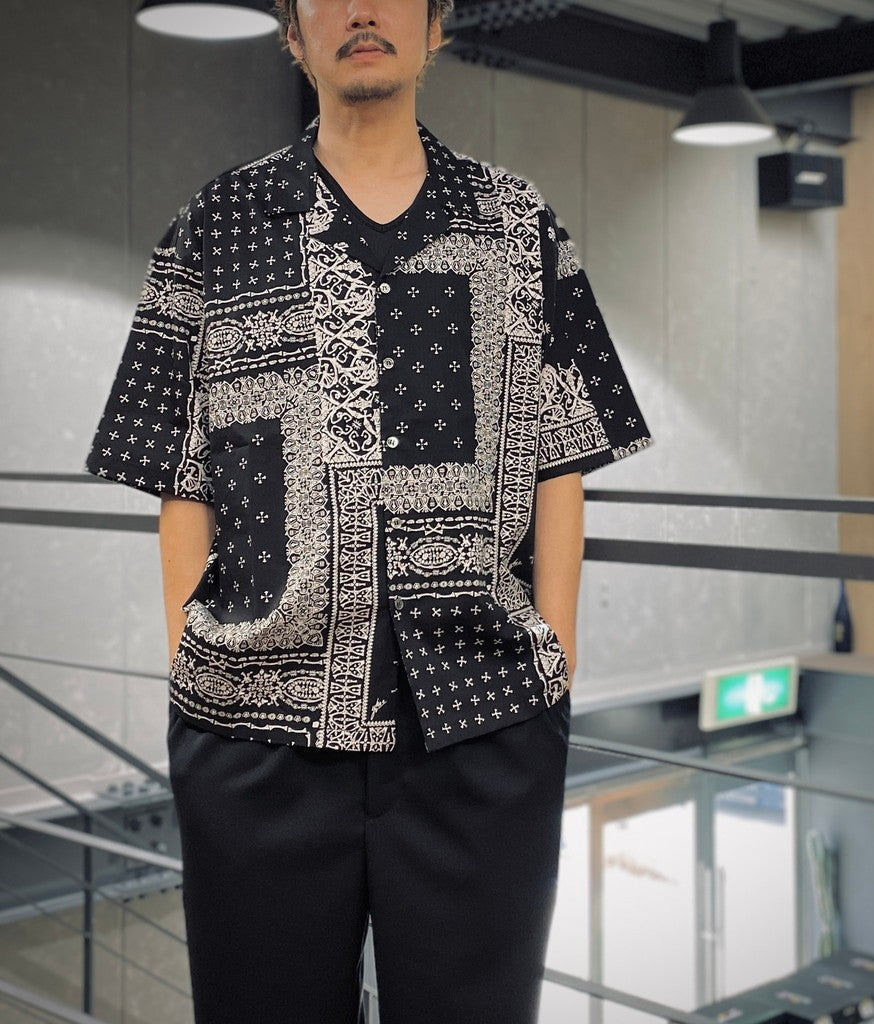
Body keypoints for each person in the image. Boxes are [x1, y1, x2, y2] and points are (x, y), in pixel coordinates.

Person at [84, 1, 654, 1021]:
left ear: (435, 27)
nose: (359, 9)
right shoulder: (215, 226)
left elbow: (564, 454)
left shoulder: (516, 223)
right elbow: (177, 470)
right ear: (291, 33)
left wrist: (557, 656)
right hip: (254, 733)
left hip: (485, 723)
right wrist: (190, 661)